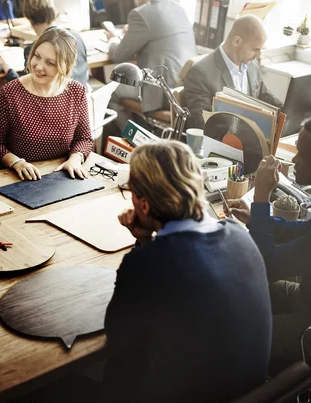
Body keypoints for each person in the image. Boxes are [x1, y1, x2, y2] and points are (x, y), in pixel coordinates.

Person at [103, 141, 271, 402]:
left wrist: (144, 247)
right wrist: (147, 239)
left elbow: (118, 340)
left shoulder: (144, 264)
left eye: (133, 193)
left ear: (144, 205)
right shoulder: (240, 235)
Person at [227, 121, 311, 367]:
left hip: (308, 325)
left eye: (303, 155)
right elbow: (302, 230)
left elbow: (265, 265)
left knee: (239, 336)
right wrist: (258, 218)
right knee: (240, 289)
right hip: (305, 298)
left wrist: (261, 197)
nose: (294, 161)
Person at [0, 27, 93, 180]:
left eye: (50, 63)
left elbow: (84, 139)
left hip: (60, 175)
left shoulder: (76, 91)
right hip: (17, 177)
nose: (39, 66)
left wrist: (75, 159)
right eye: (37, 56)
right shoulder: (9, 93)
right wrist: (17, 163)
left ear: (65, 66)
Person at [184, 14, 283, 129]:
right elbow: (200, 123)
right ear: (237, 41)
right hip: (222, 142)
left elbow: (264, 96)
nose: (259, 55)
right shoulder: (200, 74)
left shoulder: (252, 66)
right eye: (255, 49)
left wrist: (287, 112)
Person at [105, 0, 196, 114]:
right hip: (182, 89)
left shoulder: (141, 14)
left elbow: (118, 56)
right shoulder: (178, 8)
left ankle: (128, 131)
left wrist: (112, 39)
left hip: (162, 91)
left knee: (109, 92)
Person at [2, 0, 89, 89]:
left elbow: (25, 90)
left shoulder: (34, 49)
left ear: (30, 19)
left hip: (55, 101)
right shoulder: (77, 38)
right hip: (83, 98)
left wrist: (9, 72)